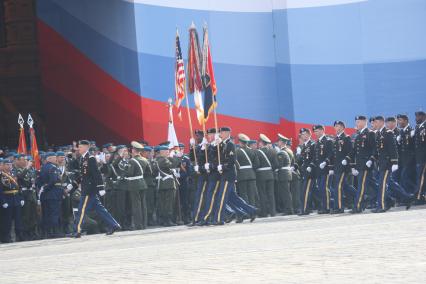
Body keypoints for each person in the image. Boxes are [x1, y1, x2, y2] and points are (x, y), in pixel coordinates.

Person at [71, 140, 121, 238]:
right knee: (101, 210)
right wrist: (73, 185)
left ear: (86, 147)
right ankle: (114, 225)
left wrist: (101, 187)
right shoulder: (83, 158)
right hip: (88, 189)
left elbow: (96, 174)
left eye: (80, 147)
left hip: (88, 190)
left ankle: (77, 230)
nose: (78, 149)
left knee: (81, 210)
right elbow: (83, 175)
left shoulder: (90, 158)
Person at [332, 121, 356, 214]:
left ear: (342, 127)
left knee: (338, 187)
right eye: (335, 126)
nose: (335, 128)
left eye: (337, 126)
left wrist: (348, 161)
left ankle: (339, 207)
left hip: (343, 167)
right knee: (345, 186)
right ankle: (362, 196)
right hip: (337, 167)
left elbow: (351, 152)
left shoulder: (346, 138)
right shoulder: (336, 139)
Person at [124, 141, 149, 230]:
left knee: (136, 205)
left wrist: (125, 169)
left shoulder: (132, 160)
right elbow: (149, 172)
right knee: (143, 205)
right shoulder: (144, 159)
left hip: (134, 185)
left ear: (134, 150)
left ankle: (138, 225)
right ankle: (144, 224)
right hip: (142, 183)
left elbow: (129, 173)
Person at [0, 159, 24, 242]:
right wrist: (3, 201)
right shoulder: (1, 175)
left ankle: (19, 235)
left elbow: (18, 186)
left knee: (18, 219)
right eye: (7, 165)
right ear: (2, 166)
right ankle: (6, 237)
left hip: (16, 199)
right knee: (7, 220)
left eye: (10, 164)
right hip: (7, 199)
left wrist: (21, 198)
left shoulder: (13, 174)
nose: (9, 166)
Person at [312, 125, 334, 214]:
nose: (315, 133)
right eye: (314, 132)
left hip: (326, 168)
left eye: (317, 131)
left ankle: (327, 207)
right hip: (319, 169)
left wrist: (326, 162)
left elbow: (331, 154)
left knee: (325, 188)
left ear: (322, 131)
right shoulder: (317, 142)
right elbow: (316, 157)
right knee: (321, 188)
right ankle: (325, 205)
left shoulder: (328, 141)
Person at [256, 133, 278, 217]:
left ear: (262, 143)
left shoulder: (258, 152)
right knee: (271, 194)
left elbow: (257, 164)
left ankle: (264, 213)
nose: (258, 144)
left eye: (259, 142)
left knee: (262, 194)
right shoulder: (273, 151)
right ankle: (273, 212)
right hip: (270, 175)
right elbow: (276, 165)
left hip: (261, 175)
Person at [298, 128, 316, 215]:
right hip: (304, 172)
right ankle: (308, 208)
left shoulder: (312, 144)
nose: (303, 135)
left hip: (310, 173)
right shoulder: (304, 146)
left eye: (304, 134)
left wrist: (311, 166)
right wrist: (295, 166)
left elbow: (315, 157)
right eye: (302, 134)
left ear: (309, 134)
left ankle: (304, 210)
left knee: (305, 191)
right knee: (310, 191)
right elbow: (301, 159)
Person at [276, 134, 293, 215]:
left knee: (285, 193)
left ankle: (288, 209)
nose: (277, 143)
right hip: (288, 173)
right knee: (287, 192)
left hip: (283, 174)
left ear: (282, 142)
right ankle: (289, 208)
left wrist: (274, 168)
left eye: (278, 141)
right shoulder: (289, 150)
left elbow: (279, 165)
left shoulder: (282, 152)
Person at [414, 111, 426, 202]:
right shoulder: (418, 127)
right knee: (420, 177)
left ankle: (419, 197)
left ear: (423, 116)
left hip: (423, 157)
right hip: (419, 157)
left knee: (421, 177)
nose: (416, 118)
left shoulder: (424, 126)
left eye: (418, 116)